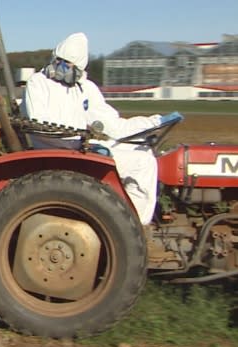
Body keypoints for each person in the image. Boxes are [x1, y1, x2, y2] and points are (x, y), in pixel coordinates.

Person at [20, 32, 177, 225]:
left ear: (79, 68)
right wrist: (83, 140)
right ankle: (135, 226)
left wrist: (153, 122)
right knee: (143, 163)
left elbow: (113, 124)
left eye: (69, 65)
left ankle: (127, 214)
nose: (63, 68)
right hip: (60, 148)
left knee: (142, 150)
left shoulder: (85, 87)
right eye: (61, 62)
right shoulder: (38, 82)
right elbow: (40, 124)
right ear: (54, 58)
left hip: (81, 145)